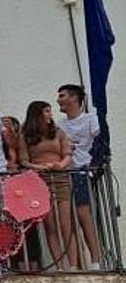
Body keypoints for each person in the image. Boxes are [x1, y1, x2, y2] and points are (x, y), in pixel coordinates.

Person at [19, 101, 77, 270]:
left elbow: (67, 154)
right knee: (50, 225)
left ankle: (73, 265)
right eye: (46, 111)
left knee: (66, 223)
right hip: (39, 181)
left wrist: (61, 165)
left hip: (60, 177)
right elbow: (24, 161)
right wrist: (40, 167)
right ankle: (59, 266)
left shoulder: (58, 132)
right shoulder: (26, 134)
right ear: (37, 114)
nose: (50, 114)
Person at [56, 83, 103, 269]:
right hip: (65, 174)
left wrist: (95, 165)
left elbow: (100, 142)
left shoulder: (91, 119)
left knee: (85, 217)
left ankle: (95, 260)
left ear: (75, 98)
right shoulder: (60, 124)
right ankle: (76, 263)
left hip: (83, 172)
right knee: (68, 221)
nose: (58, 99)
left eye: (62, 95)